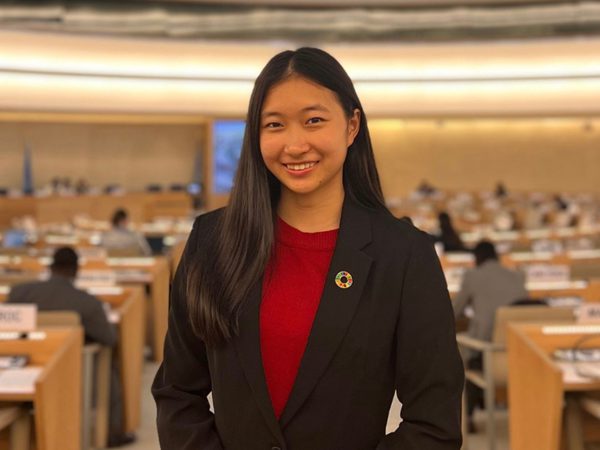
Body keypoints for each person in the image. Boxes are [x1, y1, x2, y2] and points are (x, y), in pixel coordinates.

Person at [152, 47, 463, 450]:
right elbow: (177, 393)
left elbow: (434, 423)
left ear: (352, 127)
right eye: (275, 125)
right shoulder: (211, 242)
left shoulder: (404, 256)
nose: (295, 145)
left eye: (314, 121)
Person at [7, 247, 135, 447]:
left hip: (22, 367)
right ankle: (111, 433)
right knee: (109, 363)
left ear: (51, 267)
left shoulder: (18, 293)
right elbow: (109, 339)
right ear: (76, 271)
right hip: (74, 373)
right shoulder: (88, 303)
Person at [452, 240, 527, 431]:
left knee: (462, 349)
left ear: (477, 258)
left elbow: (453, 312)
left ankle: (466, 415)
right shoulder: (517, 276)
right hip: (519, 354)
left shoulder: (472, 276)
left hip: (488, 356)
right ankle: (483, 402)